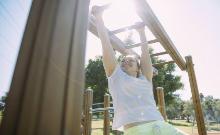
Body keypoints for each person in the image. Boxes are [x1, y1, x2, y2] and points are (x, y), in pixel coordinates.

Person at [92, 6, 186, 135]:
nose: (126, 61)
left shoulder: (145, 78)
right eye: (123, 60)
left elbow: (145, 53)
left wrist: (141, 32)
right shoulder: (116, 76)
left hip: (163, 128)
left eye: (131, 60)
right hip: (137, 131)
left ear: (138, 68)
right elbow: (106, 44)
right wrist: (98, 17)